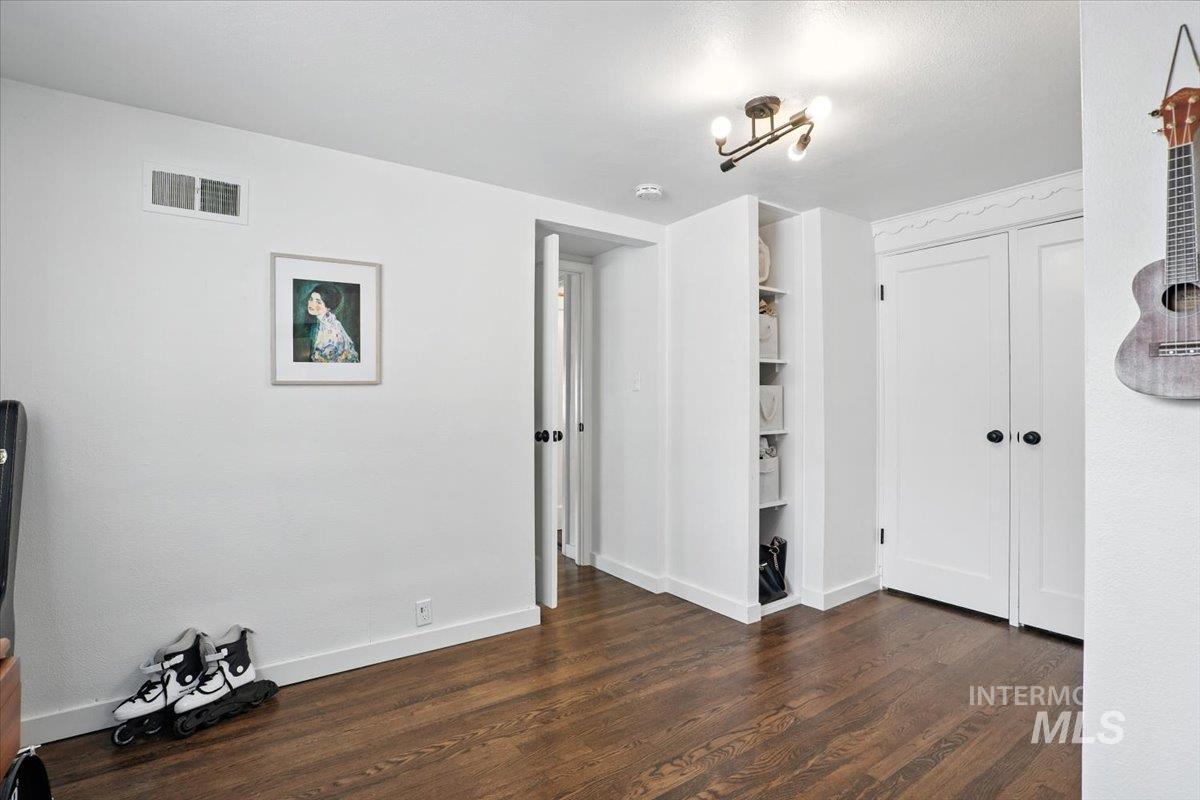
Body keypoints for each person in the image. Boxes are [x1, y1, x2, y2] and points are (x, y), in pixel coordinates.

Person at [304, 283, 359, 363]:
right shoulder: (325, 321)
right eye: (311, 299)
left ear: (328, 306)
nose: (311, 304)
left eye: (318, 302)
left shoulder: (331, 329)